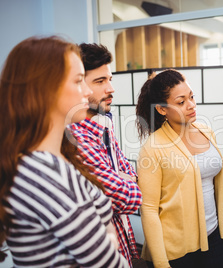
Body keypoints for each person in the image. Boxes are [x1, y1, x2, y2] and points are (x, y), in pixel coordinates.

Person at [0, 36, 128, 267]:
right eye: (79, 81)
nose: (87, 92)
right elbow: (107, 262)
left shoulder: (54, 158)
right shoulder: (46, 173)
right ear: (46, 90)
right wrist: (108, 235)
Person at [136, 69, 223, 268]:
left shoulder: (207, 132)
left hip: (213, 237)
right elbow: (149, 209)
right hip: (175, 250)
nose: (191, 105)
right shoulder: (152, 147)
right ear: (161, 109)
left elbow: (217, 186)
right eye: (181, 102)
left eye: (191, 97)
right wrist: (161, 263)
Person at [68, 43, 143, 267]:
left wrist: (123, 177)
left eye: (109, 79)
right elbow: (127, 197)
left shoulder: (103, 124)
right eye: (100, 81)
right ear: (78, 86)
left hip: (122, 245)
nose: (110, 88)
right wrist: (123, 179)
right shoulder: (74, 138)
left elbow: (128, 174)